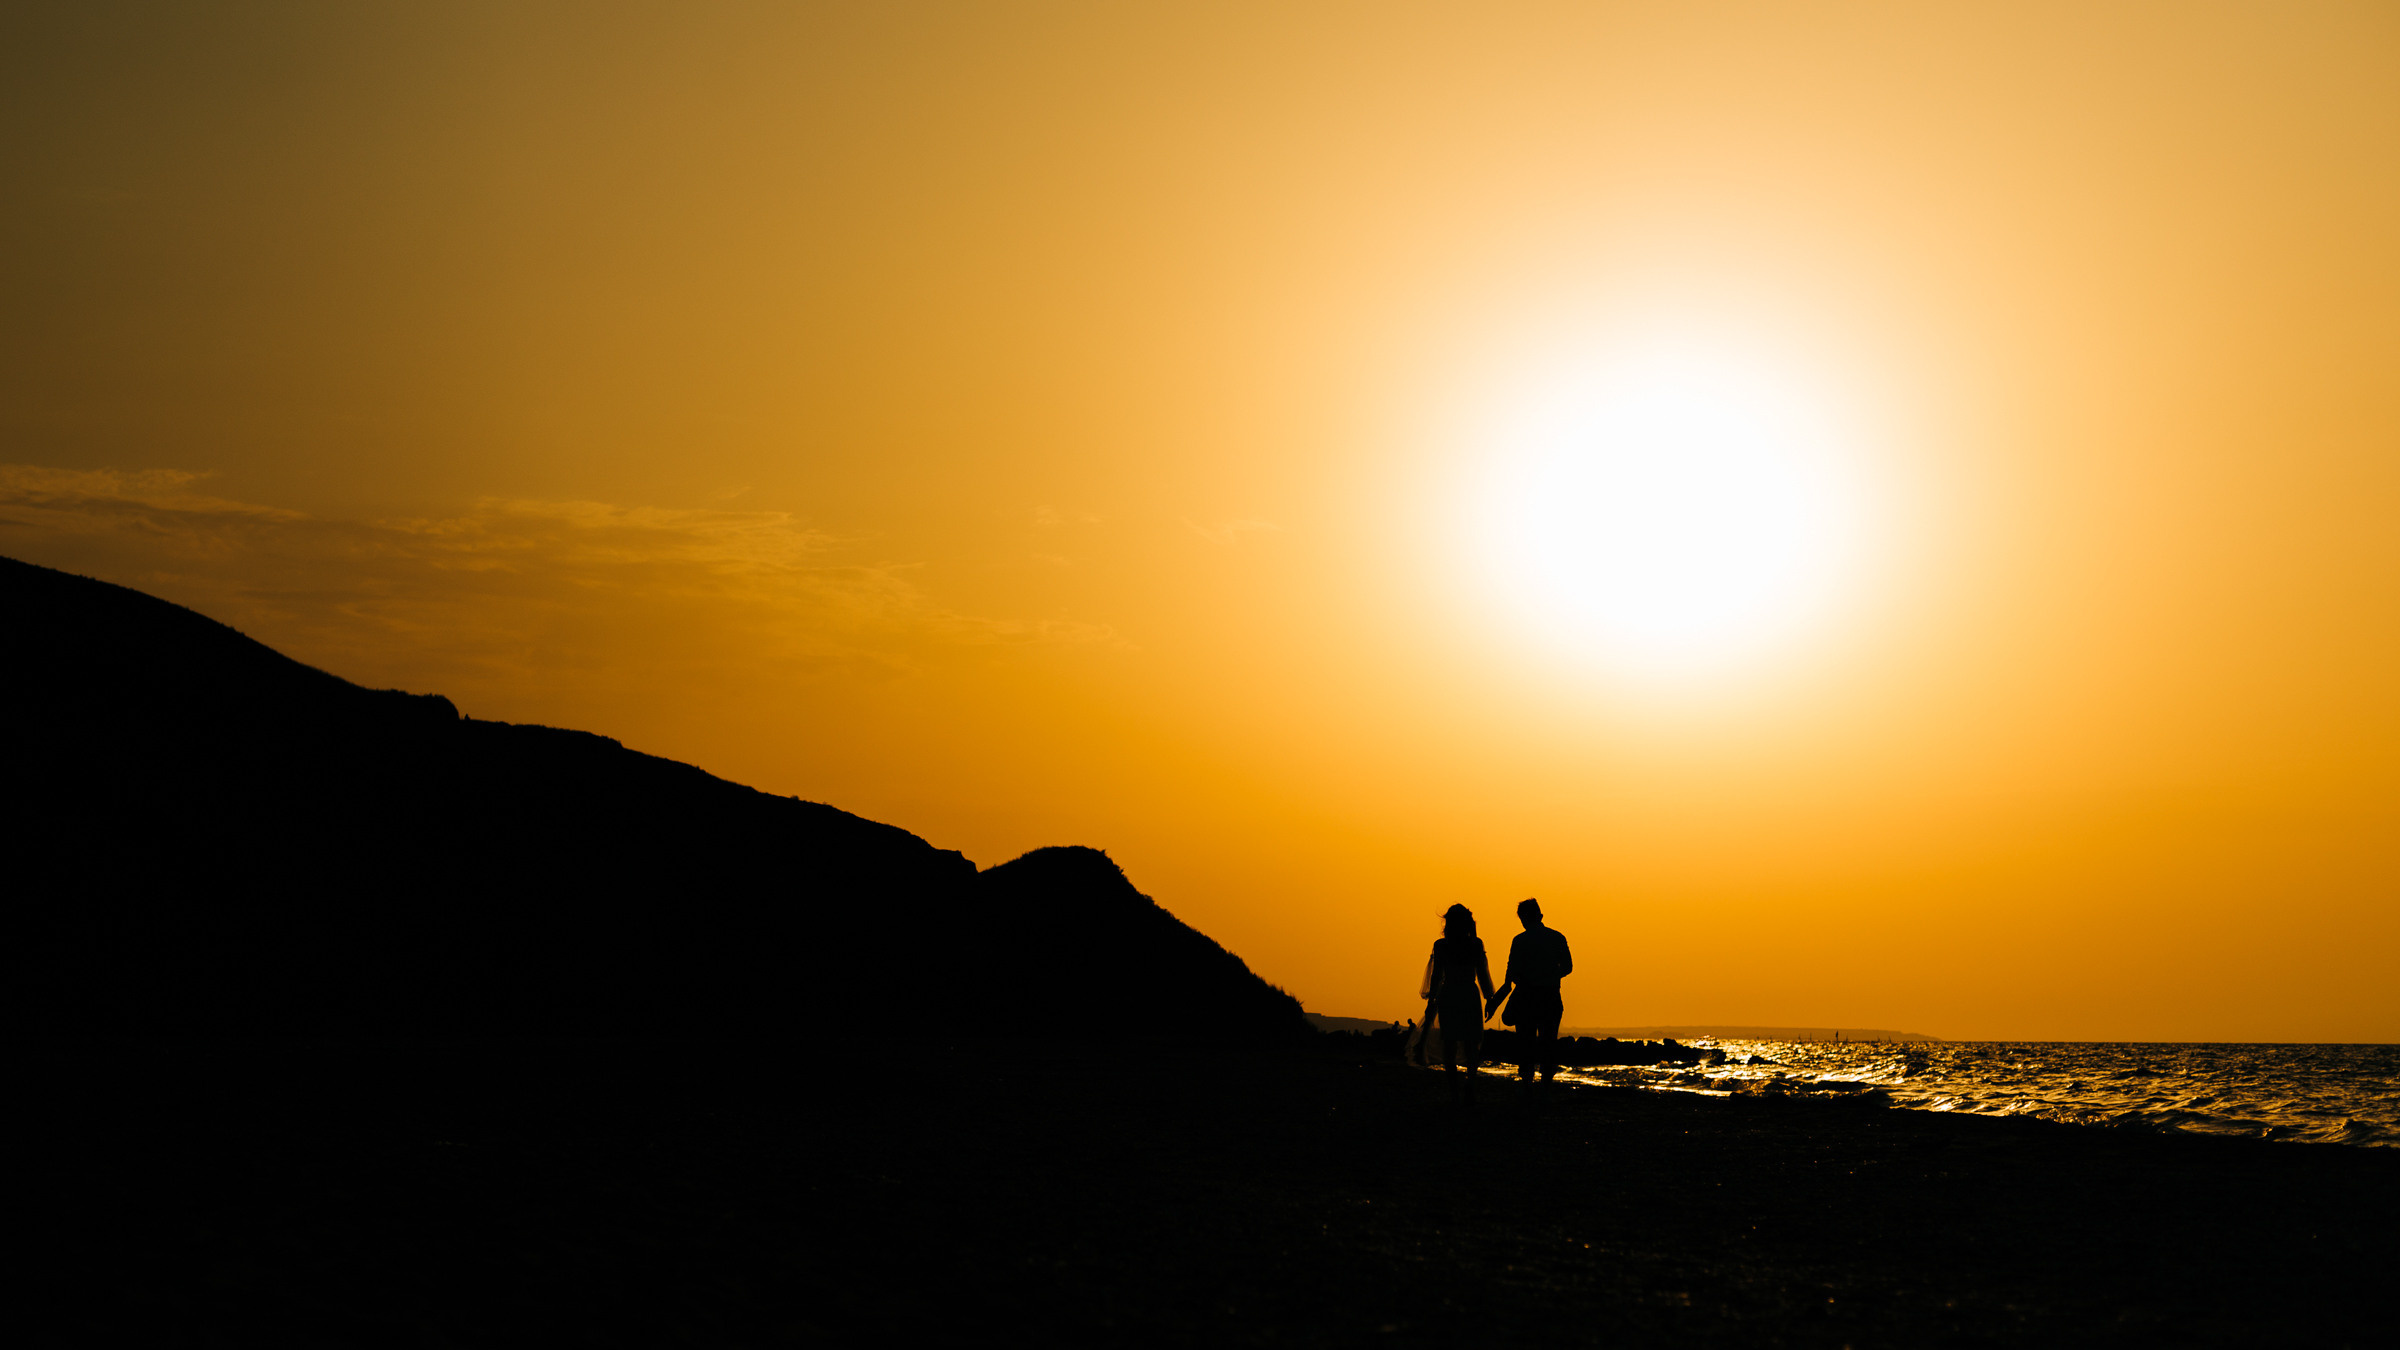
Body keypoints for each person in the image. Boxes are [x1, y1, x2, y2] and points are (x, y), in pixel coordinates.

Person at [1493, 898, 1572, 1083]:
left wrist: (1496, 1001)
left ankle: (1527, 1086)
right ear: (1540, 916)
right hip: (1550, 996)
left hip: (1525, 998)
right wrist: (1549, 975)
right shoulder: (1557, 937)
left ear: (1522, 919)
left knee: (1526, 1044)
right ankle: (1545, 1087)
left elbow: (1510, 973)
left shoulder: (1519, 941)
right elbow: (1568, 967)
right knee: (1548, 1043)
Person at [1420, 903, 1496, 1098]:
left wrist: (1432, 1001)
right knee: (1472, 1043)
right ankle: (1470, 1084)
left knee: (1450, 1043)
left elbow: (1436, 976)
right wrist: (1489, 998)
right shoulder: (1476, 944)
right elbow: (1483, 974)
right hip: (1469, 994)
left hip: (1450, 994)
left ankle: (1454, 1088)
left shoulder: (1442, 946)